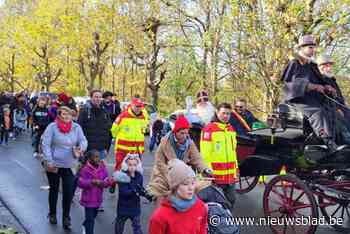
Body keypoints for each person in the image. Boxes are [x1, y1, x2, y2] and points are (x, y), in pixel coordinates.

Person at [281, 35, 350, 150]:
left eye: (313, 47)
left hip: (314, 99)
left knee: (334, 111)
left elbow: (321, 82)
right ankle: (327, 142)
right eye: (309, 47)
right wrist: (312, 86)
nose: (312, 50)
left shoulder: (312, 66)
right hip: (299, 99)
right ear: (301, 48)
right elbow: (290, 84)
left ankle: (342, 142)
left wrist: (327, 87)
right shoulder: (295, 63)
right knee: (318, 112)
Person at [42, 106, 88, 230]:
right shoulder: (52, 127)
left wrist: (81, 148)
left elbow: (83, 140)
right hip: (54, 164)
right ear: (59, 115)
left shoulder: (76, 127)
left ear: (72, 115)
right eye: (64, 114)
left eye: (69, 114)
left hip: (70, 164)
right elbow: (45, 144)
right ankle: (52, 214)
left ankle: (66, 217)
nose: (67, 117)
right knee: (54, 190)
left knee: (68, 192)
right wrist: (49, 161)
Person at [147, 115, 211, 201]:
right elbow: (159, 163)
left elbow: (197, 158)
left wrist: (205, 169)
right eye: (182, 133)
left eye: (186, 133)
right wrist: (172, 174)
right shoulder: (165, 143)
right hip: (164, 174)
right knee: (161, 197)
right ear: (175, 132)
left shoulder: (189, 143)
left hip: (182, 175)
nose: (185, 136)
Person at [149, 158, 208, 234]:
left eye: (193, 183)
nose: (190, 188)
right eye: (185, 184)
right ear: (175, 186)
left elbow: (202, 231)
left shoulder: (201, 207)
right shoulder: (160, 217)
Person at [200, 103, 238, 209]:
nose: (226, 116)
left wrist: (236, 169)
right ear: (217, 113)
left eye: (228, 114)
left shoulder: (231, 129)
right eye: (223, 113)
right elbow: (205, 154)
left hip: (230, 176)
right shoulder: (208, 129)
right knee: (217, 204)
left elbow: (233, 151)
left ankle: (227, 223)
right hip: (215, 176)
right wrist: (208, 173)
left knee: (231, 200)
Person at [78, 149, 111, 234]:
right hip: (88, 200)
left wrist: (102, 183)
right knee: (90, 220)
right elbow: (80, 183)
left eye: (99, 157)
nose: (98, 159)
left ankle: (85, 225)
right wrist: (91, 182)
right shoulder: (85, 169)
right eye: (95, 157)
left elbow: (107, 181)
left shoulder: (102, 168)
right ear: (89, 159)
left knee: (93, 216)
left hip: (98, 199)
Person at [113, 154, 145, 234]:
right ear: (125, 165)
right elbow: (124, 192)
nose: (132, 167)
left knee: (137, 226)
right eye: (130, 164)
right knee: (119, 225)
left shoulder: (139, 176)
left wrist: (146, 193)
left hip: (135, 206)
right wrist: (135, 191)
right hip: (123, 206)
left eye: (134, 165)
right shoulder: (122, 176)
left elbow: (140, 188)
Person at [78, 90, 112, 162]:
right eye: (96, 97)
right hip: (88, 148)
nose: (98, 99)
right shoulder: (84, 111)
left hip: (101, 149)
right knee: (86, 171)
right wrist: (81, 146)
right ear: (91, 98)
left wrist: (107, 148)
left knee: (99, 171)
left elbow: (109, 131)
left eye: (100, 97)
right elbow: (79, 129)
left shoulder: (105, 112)